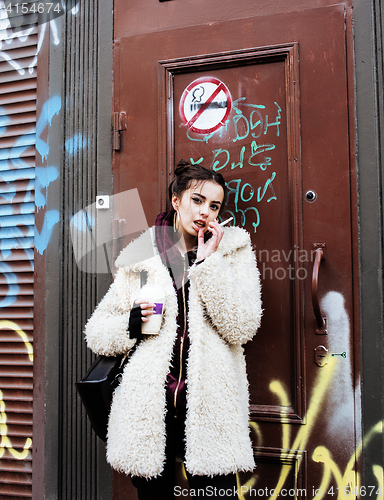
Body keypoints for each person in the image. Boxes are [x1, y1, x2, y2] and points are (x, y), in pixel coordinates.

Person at [84, 160, 262, 499]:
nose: (205, 212)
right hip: (151, 407)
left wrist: (209, 264)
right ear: (176, 200)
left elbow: (242, 327)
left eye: (214, 206)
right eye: (197, 200)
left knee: (216, 493)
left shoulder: (233, 250)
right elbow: (97, 330)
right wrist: (130, 326)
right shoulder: (141, 256)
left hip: (209, 406)